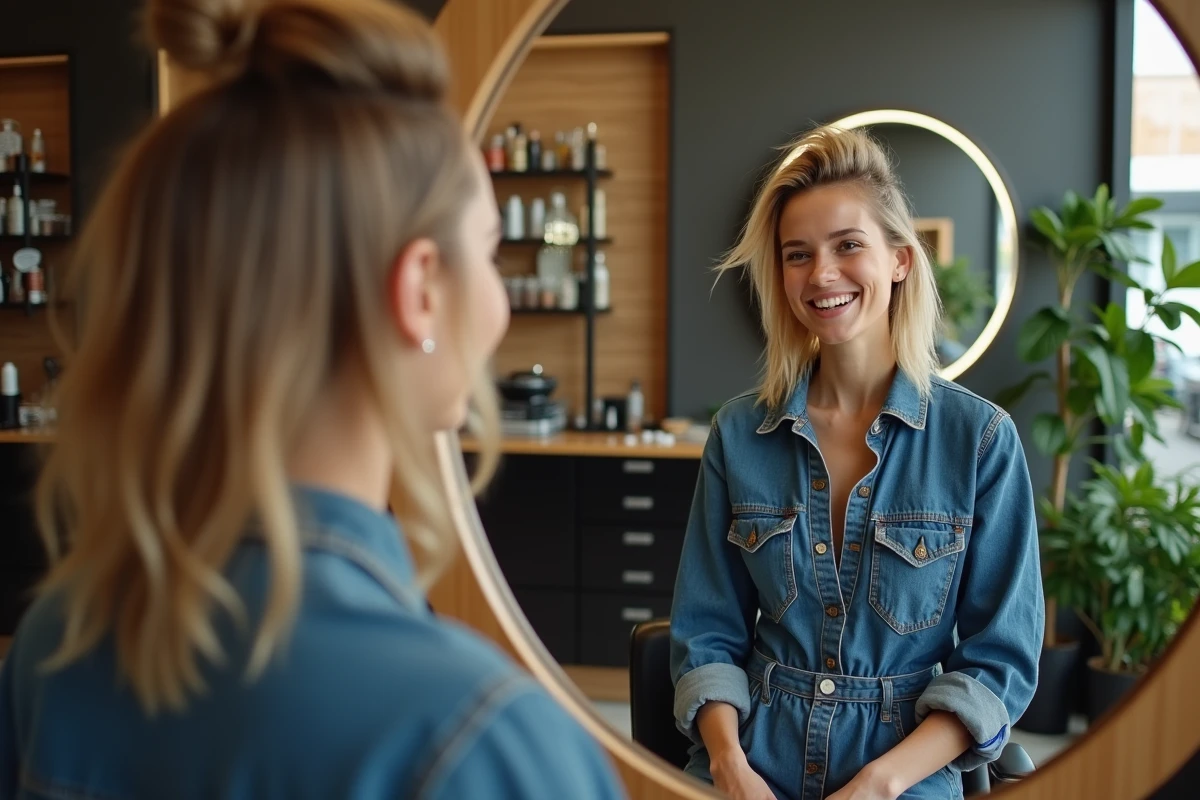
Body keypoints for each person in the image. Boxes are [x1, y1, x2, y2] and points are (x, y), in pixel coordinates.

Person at [0, 1, 626, 798]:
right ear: (420, 290)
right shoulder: (482, 744)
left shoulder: (55, 644)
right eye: (491, 252)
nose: (498, 303)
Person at [669, 125, 1043, 800]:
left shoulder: (980, 439)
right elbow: (706, 633)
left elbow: (999, 661)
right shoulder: (738, 434)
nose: (822, 274)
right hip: (753, 758)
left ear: (899, 260)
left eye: (847, 245)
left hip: (906, 768)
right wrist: (728, 765)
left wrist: (879, 783)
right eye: (798, 255)